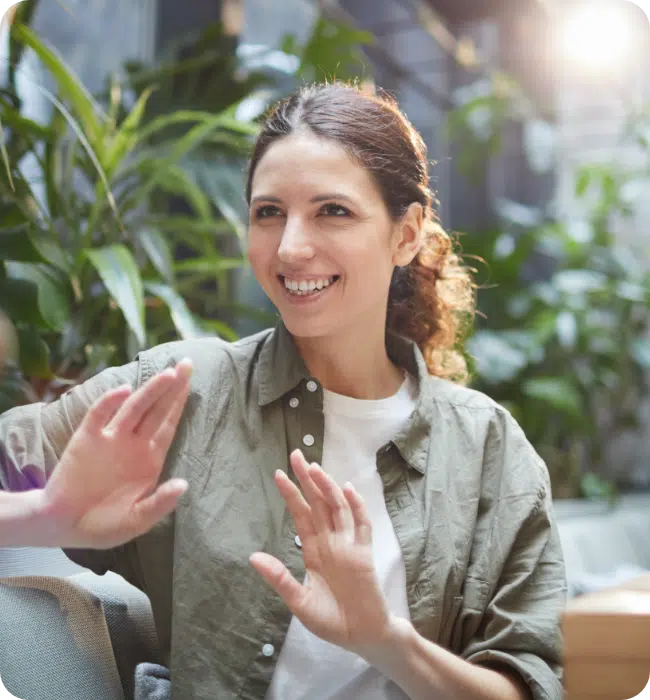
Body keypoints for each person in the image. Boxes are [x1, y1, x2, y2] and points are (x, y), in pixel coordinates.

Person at [0, 82, 567, 700]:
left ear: (405, 235)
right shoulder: (180, 394)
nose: (292, 248)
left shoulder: (486, 449)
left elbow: (528, 685)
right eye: (269, 212)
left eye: (333, 211)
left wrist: (385, 640)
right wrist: (43, 513)